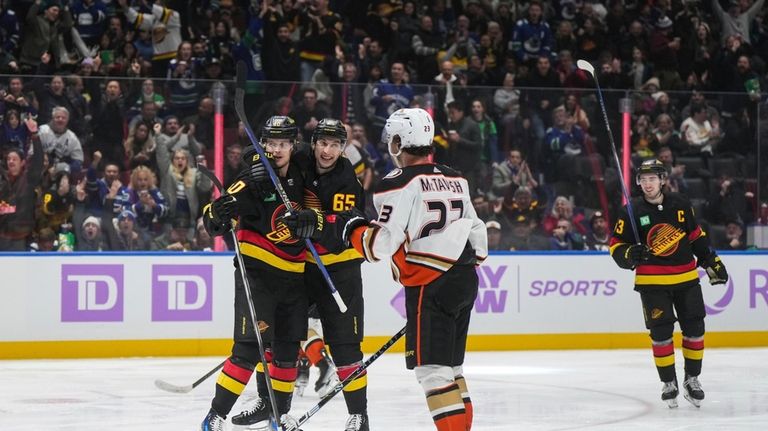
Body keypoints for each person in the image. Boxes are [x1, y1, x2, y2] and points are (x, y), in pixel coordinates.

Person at [331, 108, 487, 430]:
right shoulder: (456, 177)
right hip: (465, 277)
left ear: (399, 142)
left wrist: (353, 229)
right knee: (452, 370)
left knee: (433, 373)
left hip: (431, 284)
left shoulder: (398, 183)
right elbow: (477, 233)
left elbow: (381, 246)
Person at [253, 118, 370, 430]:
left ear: (343, 148)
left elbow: (352, 220)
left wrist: (317, 222)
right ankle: (276, 410)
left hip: (339, 268)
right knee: (281, 338)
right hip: (299, 268)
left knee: (345, 345)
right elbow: (266, 155)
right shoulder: (300, 158)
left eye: (335, 145)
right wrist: (253, 162)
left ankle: (359, 416)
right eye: (323, 143)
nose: (327, 150)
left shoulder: (347, 176)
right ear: (313, 143)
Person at [200, 116, 307, 431]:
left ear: (293, 145)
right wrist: (218, 214)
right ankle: (214, 417)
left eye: (283, 144)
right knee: (248, 349)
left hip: (295, 277)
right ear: (264, 145)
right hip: (257, 276)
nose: (276, 150)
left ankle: (278, 416)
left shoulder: (303, 175)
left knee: (287, 352)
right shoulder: (253, 179)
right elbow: (214, 217)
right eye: (271, 144)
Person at [609, 159, 729, 409]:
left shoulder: (681, 204)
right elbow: (615, 245)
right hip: (652, 283)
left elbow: (696, 235)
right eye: (643, 179)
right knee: (661, 334)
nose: (648, 183)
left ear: (663, 180)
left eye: (653, 178)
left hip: (686, 279)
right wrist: (630, 254)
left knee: (695, 330)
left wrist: (710, 260)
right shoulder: (630, 211)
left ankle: (692, 379)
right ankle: (669, 383)